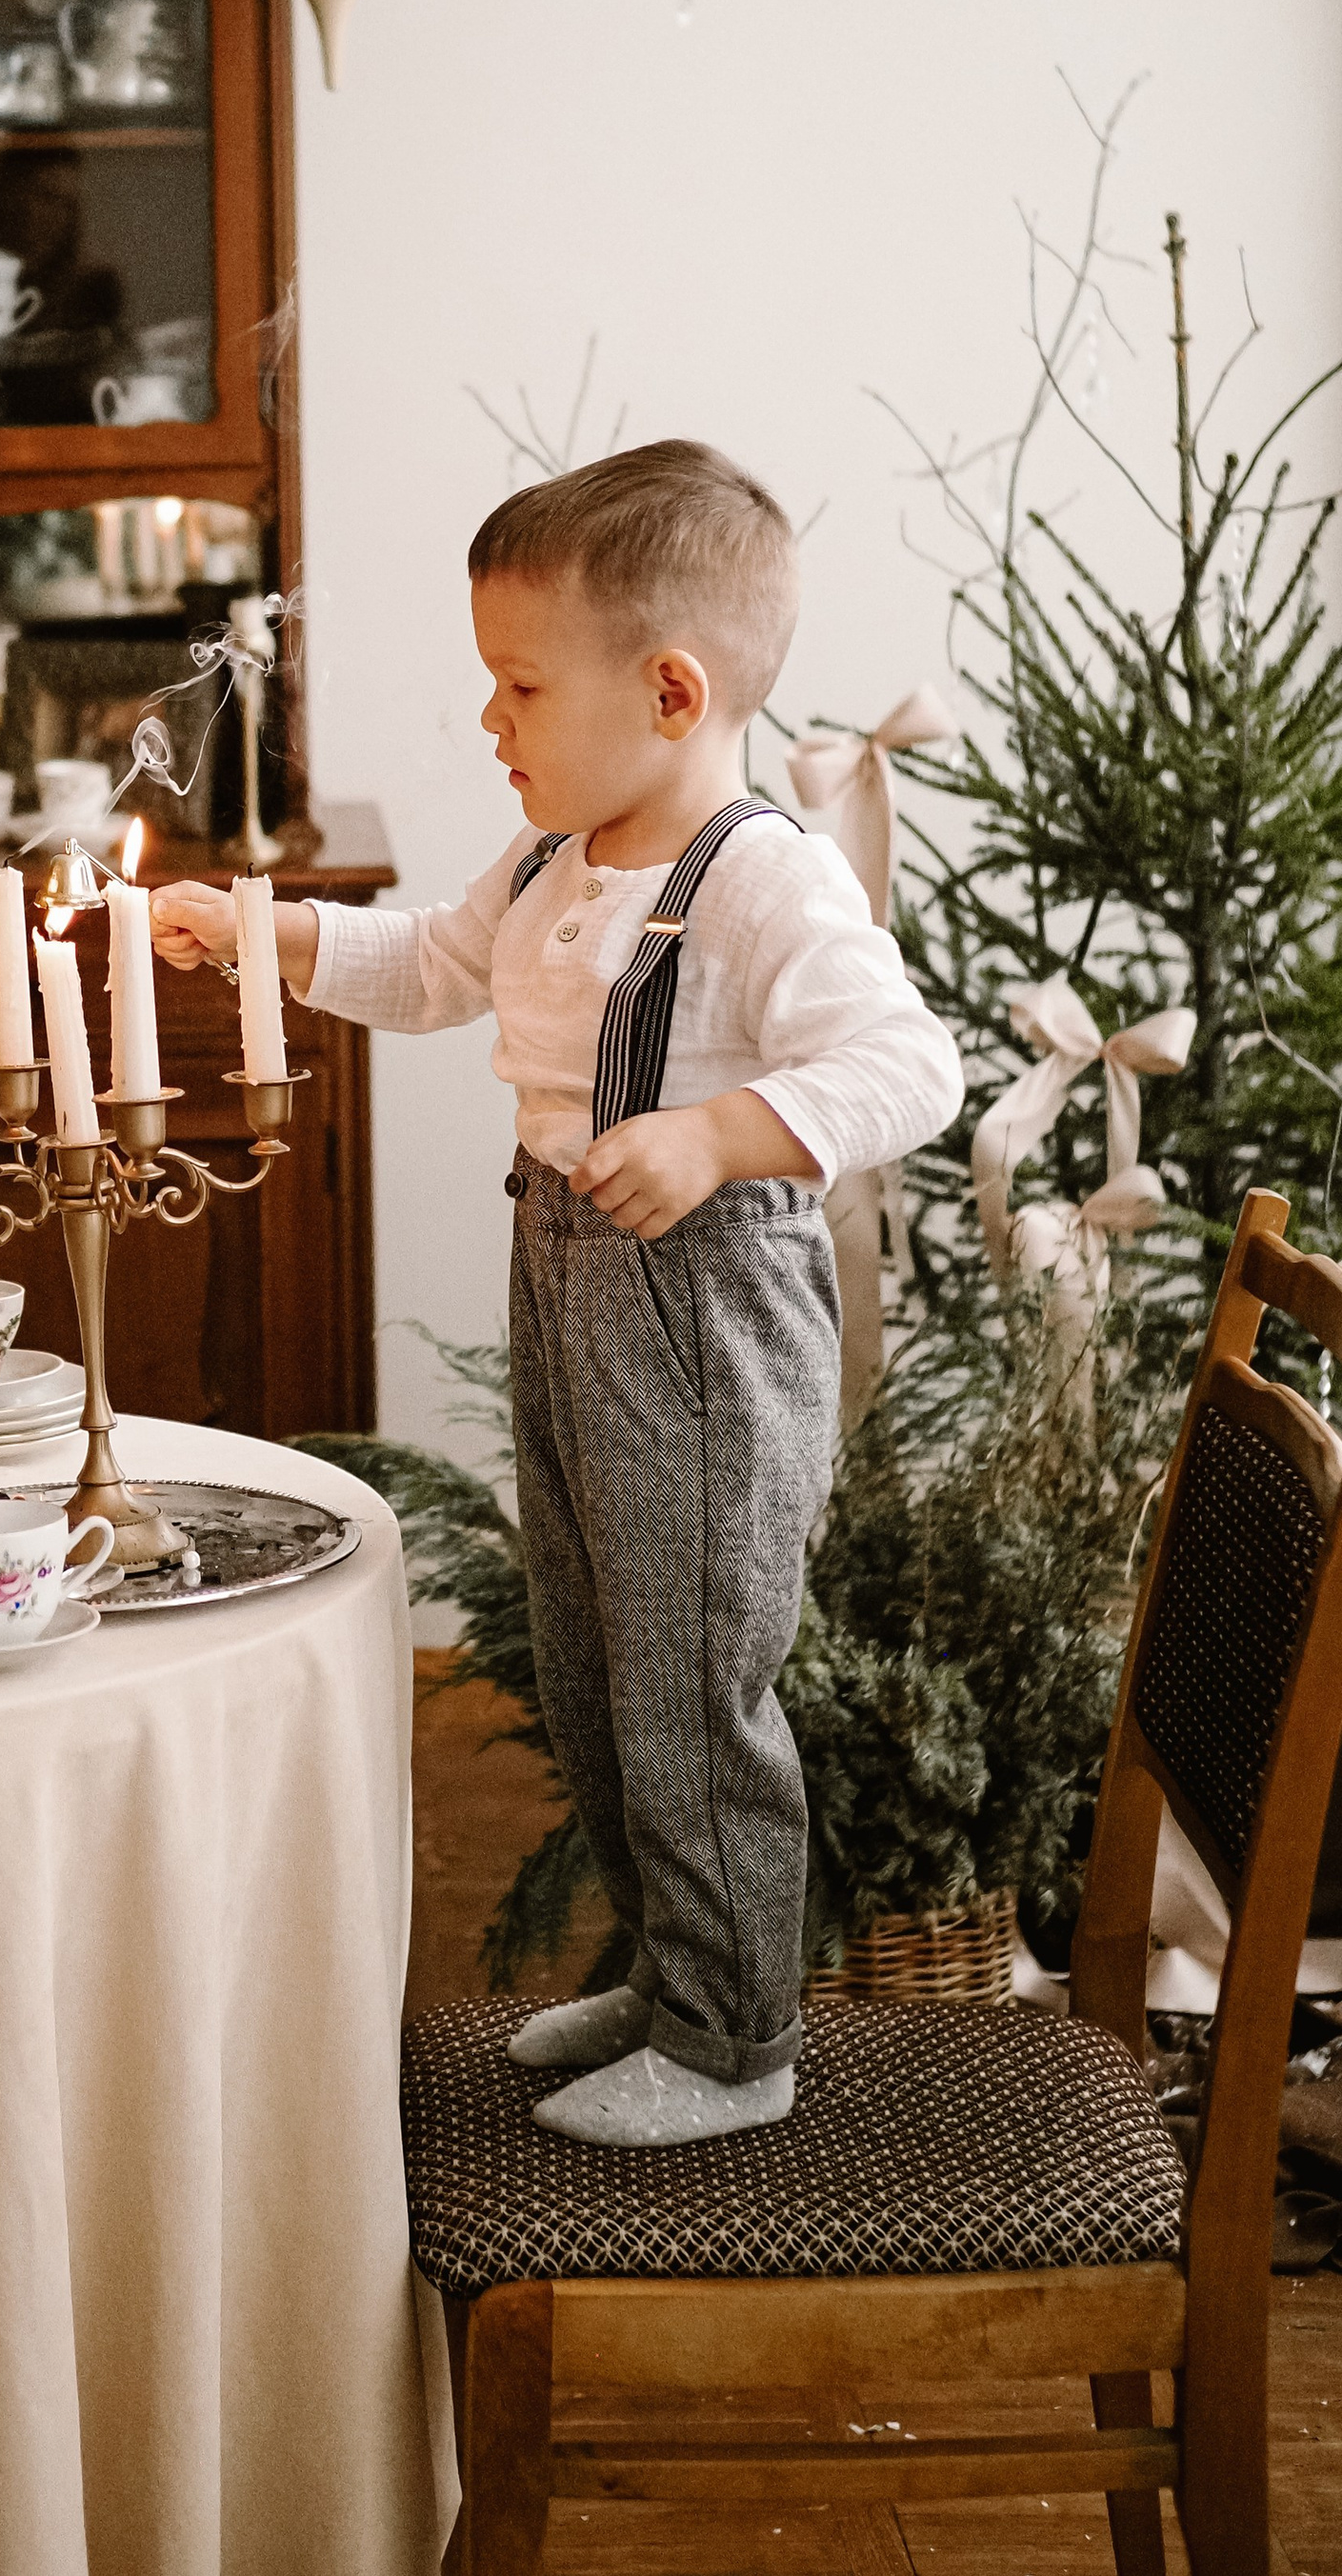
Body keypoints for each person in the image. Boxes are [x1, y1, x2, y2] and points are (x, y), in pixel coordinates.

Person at [150, 443, 964, 2148]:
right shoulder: (550, 864)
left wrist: (728, 1133)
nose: (489, 721)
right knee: (593, 1656)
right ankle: (675, 1969)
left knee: (692, 1676)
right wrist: (266, 937)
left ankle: (740, 2040)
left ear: (672, 690)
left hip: (705, 1324)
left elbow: (910, 1065)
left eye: (518, 684)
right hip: (569, 1288)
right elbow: (434, 968)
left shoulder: (762, 876)